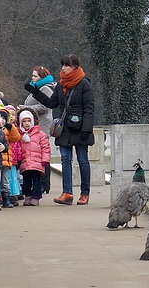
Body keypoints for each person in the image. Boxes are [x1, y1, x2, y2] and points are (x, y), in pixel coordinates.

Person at [24, 54, 94, 205]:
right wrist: (36, 92)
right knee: (65, 160)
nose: (63, 68)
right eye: (62, 65)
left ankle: (84, 193)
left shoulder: (84, 84)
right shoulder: (62, 84)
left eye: (66, 66)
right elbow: (51, 103)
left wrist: (87, 129)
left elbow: (89, 108)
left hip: (81, 127)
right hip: (65, 128)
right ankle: (67, 192)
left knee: (82, 160)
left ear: (75, 66)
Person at [21, 66, 56, 194]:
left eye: (35, 76)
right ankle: (42, 183)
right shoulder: (36, 88)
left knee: (42, 153)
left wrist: (26, 108)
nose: (33, 78)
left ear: (42, 77)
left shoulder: (45, 88)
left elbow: (45, 107)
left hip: (43, 124)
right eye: (33, 76)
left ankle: (44, 183)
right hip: (37, 123)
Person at [15, 108, 50, 206]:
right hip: (25, 162)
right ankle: (27, 195)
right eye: (24, 121)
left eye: (29, 121)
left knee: (36, 181)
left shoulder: (40, 134)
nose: (27, 123)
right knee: (26, 181)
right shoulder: (19, 134)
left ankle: (36, 196)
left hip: (36, 162)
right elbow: (17, 148)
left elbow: (45, 147)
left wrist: (45, 160)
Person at [0, 107, 21, 208]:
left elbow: (16, 138)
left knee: (5, 180)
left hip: (7, 159)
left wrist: (11, 127)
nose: (2, 120)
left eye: (4, 118)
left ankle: (6, 198)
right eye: (0, 118)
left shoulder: (8, 129)